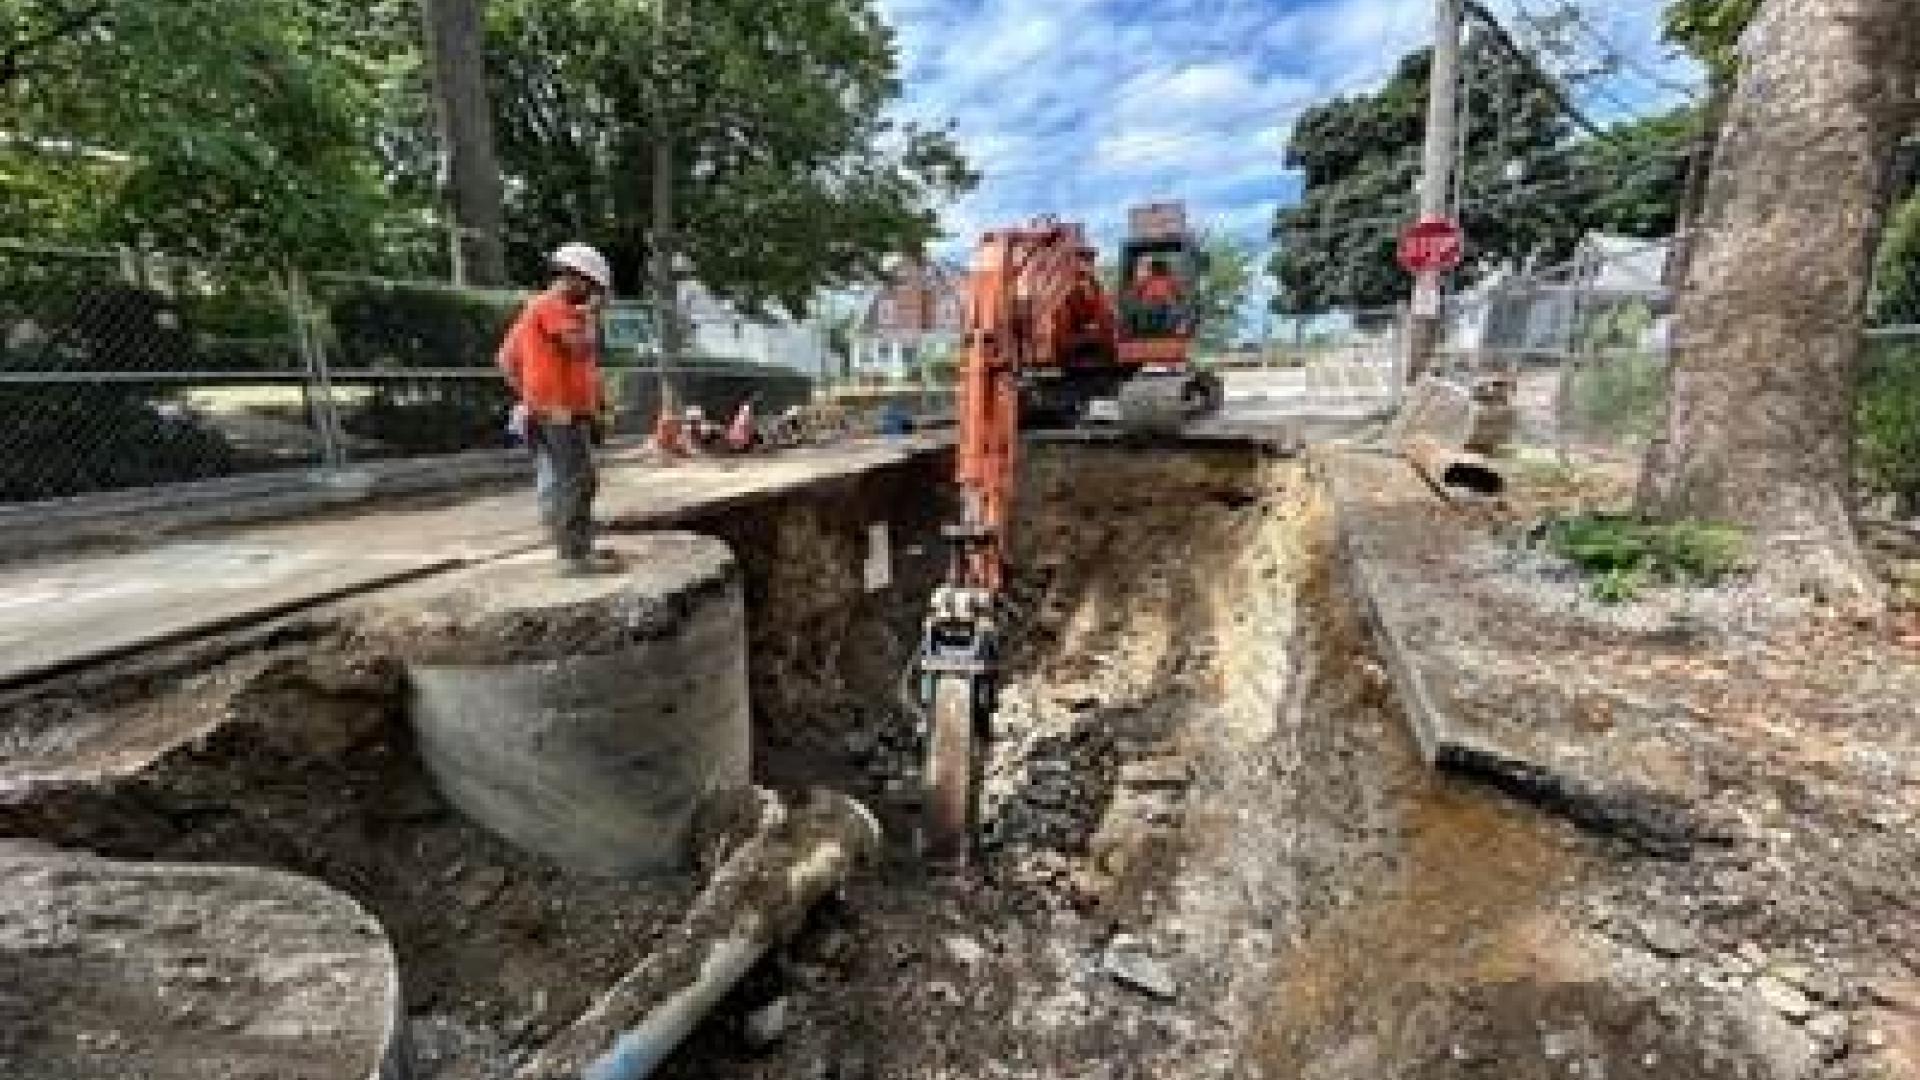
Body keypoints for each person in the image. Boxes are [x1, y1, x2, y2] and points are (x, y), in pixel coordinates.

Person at [498, 242, 617, 575]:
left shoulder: (537, 310)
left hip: (556, 409)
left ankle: (578, 546)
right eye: (593, 288)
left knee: (569, 479)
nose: (595, 296)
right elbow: (580, 350)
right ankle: (573, 556)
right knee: (577, 480)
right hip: (558, 412)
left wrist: (531, 396)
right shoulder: (554, 306)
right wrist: (592, 317)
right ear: (577, 278)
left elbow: (505, 360)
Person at [1127, 258, 1183, 335]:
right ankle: (1156, 328)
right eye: (1154, 269)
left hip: (1162, 303)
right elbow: (1138, 289)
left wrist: (1177, 296)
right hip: (1152, 303)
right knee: (1155, 316)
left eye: (1157, 268)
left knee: (1164, 316)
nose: (1156, 271)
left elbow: (1176, 290)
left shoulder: (1167, 279)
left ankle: (1163, 329)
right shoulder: (1149, 279)